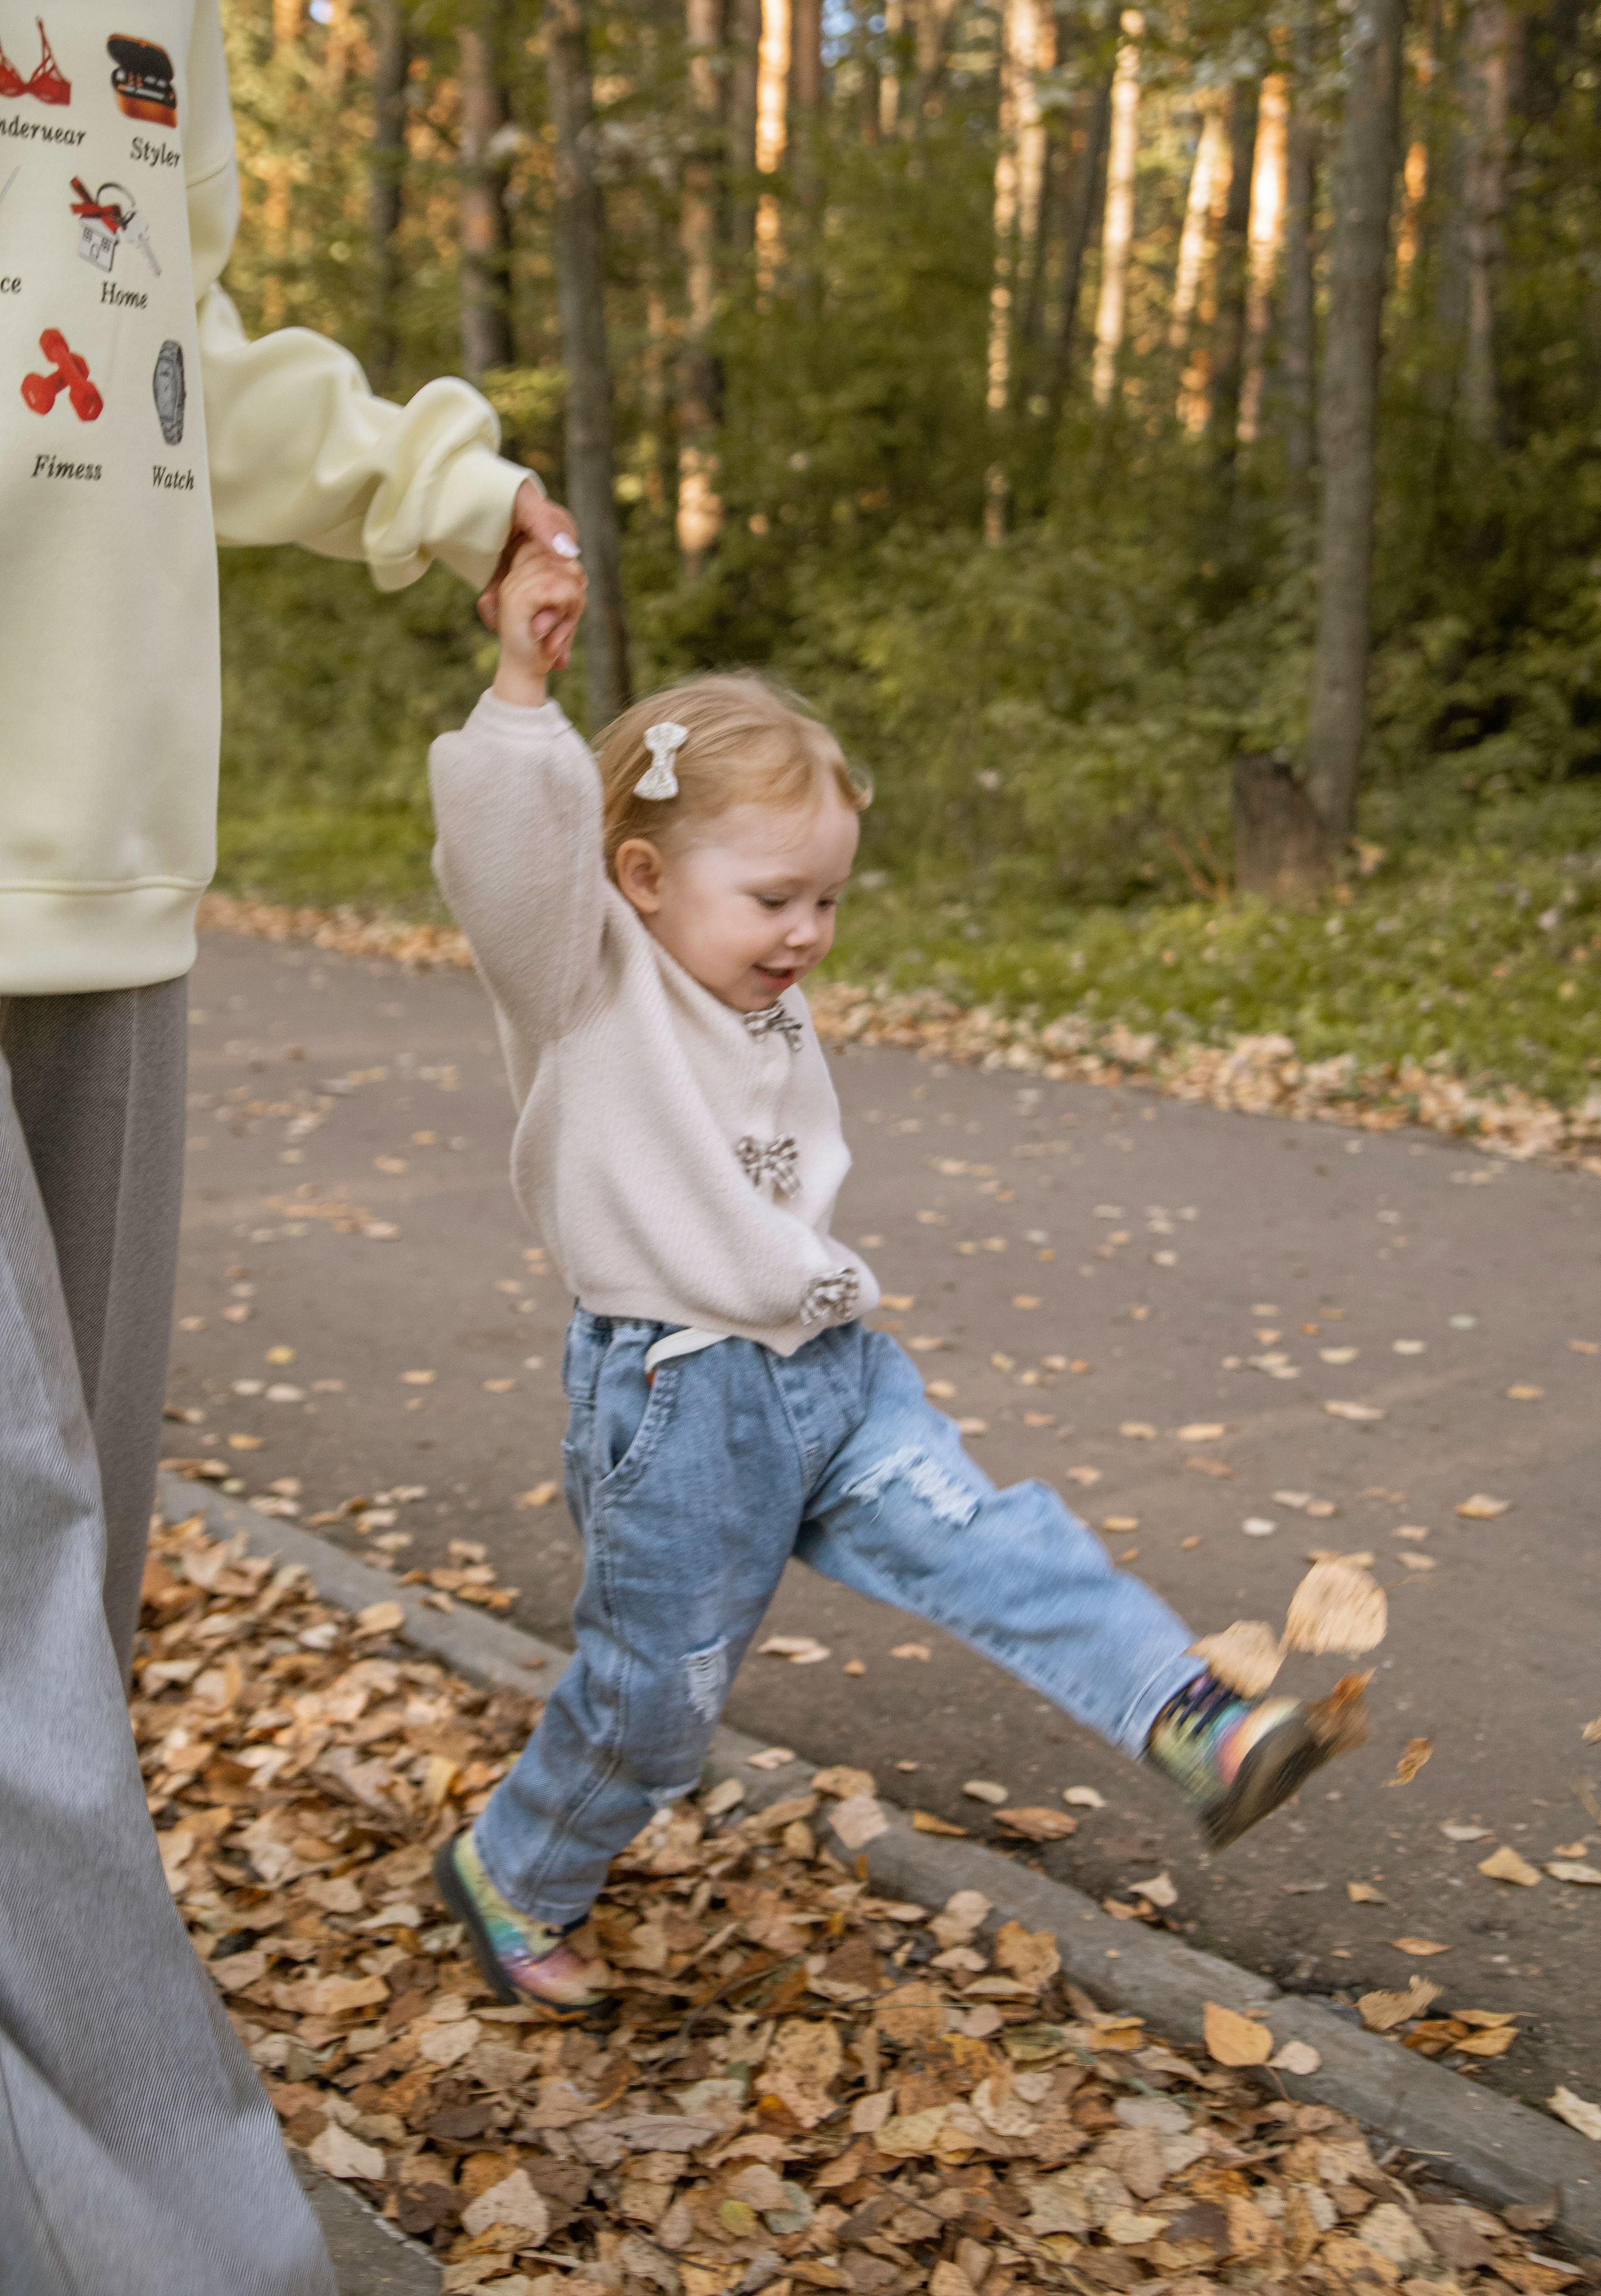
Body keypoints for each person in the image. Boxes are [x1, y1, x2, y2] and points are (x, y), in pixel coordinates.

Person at [425, 545, 1371, 2019]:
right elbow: (502, 863)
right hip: (678, 1410)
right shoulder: (580, 983)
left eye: (827, 902)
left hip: (828, 1376)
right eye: (774, 900)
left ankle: (1192, 1722)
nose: (804, 935)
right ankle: (514, 1868)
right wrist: (521, 688)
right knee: (655, 1707)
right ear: (640, 877)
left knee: (996, 1542)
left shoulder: (760, 995)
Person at [0, 0, 584, 2286]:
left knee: (77, 1599)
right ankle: (189, 2245)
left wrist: (438, 490)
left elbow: (151, 335)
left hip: (106, 880)